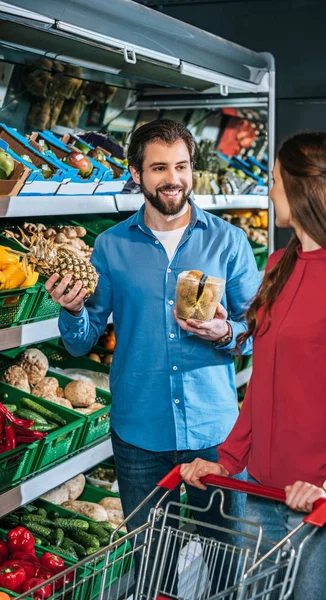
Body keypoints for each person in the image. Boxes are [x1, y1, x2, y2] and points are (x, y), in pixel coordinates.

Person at [181, 132, 326, 600]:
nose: (270, 190)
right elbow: (264, 387)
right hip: (263, 497)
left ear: (303, 187)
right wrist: (227, 458)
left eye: (276, 179)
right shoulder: (279, 265)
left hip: (322, 506)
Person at [45, 119, 260, 547]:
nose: (173, 179)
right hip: (139, 434)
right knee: (151, 563)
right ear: (136, 173)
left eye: (181, 166)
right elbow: (80, 342)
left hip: (214, 434)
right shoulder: (110, 245)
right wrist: (71, 309)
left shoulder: (228, 241)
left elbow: (258, 334)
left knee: (227, 565)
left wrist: (223, 330)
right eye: (159, 168)